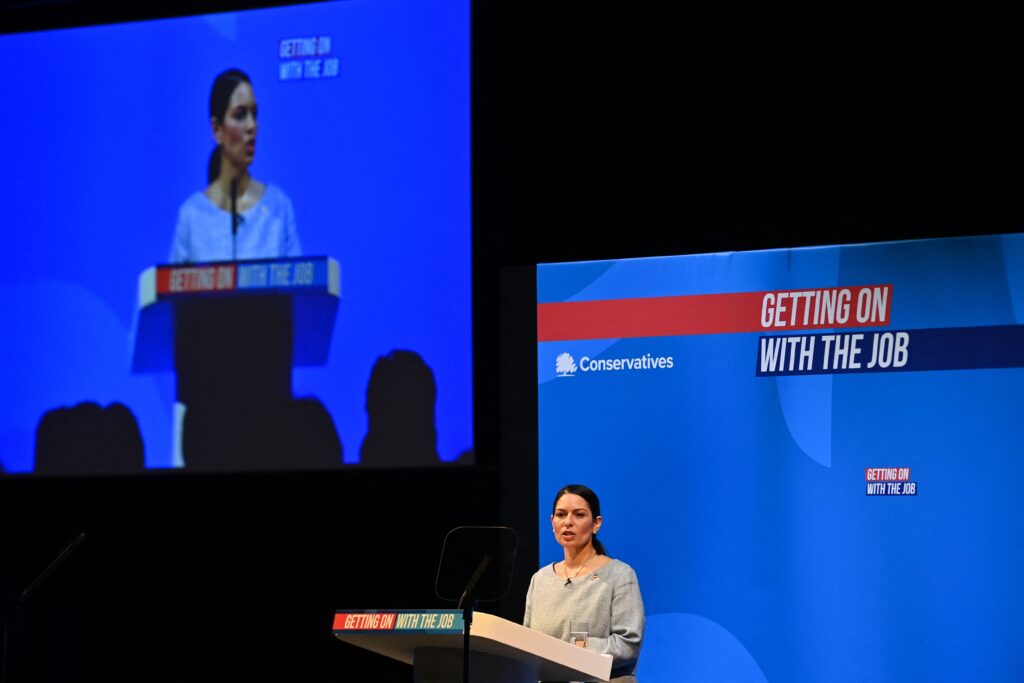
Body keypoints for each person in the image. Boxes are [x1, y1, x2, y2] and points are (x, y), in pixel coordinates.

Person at [170, 68, 301, 263]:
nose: (252, 126)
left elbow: (300, 285)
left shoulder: (278, 207)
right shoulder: (192, 215)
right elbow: (172, 290)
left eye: (254, 114)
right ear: (217, 130)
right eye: (240, 115)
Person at [524, 484, 645, 682]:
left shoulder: (620, 575)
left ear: (596, 523)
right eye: (561, 515)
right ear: (551, 521)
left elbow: (628, 643)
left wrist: (569, 650)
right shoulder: (540, 579)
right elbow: (528, 645)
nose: (568, 522)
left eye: (579, 515)